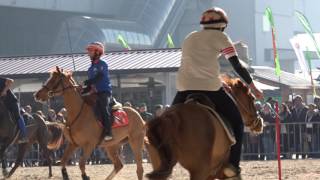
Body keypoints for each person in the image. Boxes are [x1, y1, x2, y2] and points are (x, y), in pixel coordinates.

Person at [171, 7, 263, 179]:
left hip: (184, 87)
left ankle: (163, 154)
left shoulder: (190, 37)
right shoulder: (221, 37)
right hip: (210, 87)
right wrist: (253, 87)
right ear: (222, 26)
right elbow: (237, 66)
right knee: (237, 123)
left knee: (167, 122)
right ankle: (232, 167)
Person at [83, 42, 113, 141]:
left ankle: (109, 132)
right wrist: (82, 89)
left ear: (97, 52)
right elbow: (90, 84)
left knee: (104, 108)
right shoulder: (90, 68)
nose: (89, 53)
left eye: (90, 51)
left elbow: (99, 77)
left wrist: (89, 81)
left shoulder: (103, 64)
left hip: (105, 92)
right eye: (89, 51)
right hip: (95, 93)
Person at [0, 77, 28, 143]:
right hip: (3, 104)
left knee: (17, 115)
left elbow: (11, 81)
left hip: (12, 102)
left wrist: (4, 90)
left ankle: (24, 136)